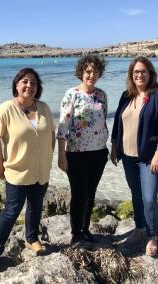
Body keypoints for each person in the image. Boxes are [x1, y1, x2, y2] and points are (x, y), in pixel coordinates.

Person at [0, 68, 55, 272]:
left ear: (38, 87)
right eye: (25, 81)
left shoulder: (44, 107)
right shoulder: (6, 108)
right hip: (17, 170)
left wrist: (49, 156)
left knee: (35, 206)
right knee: (11, 211)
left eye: (33, 83)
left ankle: (31, 239)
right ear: (16, 85)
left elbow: (51, 131)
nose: (29, 86)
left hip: (41, 170)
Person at [111, 56, 158, 256]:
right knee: (136, 195)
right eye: (136, 72)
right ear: (131, 75)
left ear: (150, 74)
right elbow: (117, 124)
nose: (139, 75)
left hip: (149, 157)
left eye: (143, 71)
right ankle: (139, 229)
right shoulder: (126, 96)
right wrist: (114, 147)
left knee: (149, 197)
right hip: (128, 157)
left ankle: (152, 235)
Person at [57, 55, 109, 245]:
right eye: (88, 71)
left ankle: (86, 229)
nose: (91, 75)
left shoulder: (102, 95)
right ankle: (76, 232)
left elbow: (103, 121)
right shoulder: (72, 94)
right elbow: (63, 127)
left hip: (99, 153)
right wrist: (61, 155)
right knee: (79, 194)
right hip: (76, 154)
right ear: (81, 72)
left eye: (95, 71)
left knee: (91, 193)